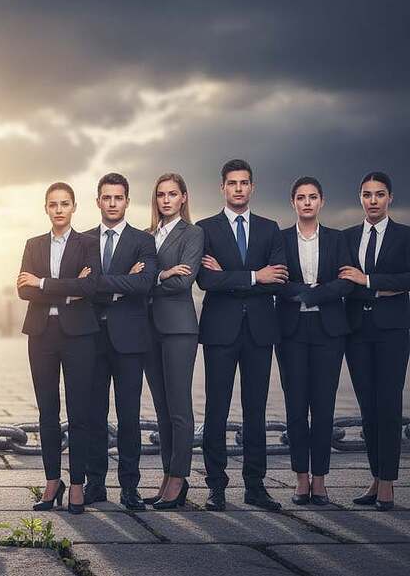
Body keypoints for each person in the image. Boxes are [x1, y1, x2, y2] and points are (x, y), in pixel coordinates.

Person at [197, 158, 287, 511]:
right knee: (216, 410)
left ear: (252, 187)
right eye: (232, 183)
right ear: (222, 187)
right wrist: (253, 276)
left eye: (244, 182)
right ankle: (216, 486)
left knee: (256, 410)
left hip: (260, 331)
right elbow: (206, 281)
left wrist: (230, 276)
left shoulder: (270, 228)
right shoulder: (206, 229)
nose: (238, 188)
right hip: (220, 331)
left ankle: (255, 485)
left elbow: (277, 279)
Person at [16, 182, 100, 514]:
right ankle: (53, 481)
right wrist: (67, 290)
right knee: (47, 413)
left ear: (74, 207)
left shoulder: (88, 244)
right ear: (46, 208)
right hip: (41, 334)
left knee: (80, 413)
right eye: (53, 204)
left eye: (65, 203)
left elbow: (90, 286)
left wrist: (43, 284)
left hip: (79, 335)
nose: (59, 209)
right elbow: (24, 291)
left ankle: (76, 484)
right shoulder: (33, 245)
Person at [275, 177, 352, 506]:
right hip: (291, 331)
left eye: (313, 197)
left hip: (328, 330)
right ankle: (301, 480)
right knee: (295, 407)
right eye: (301, 197)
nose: (307, 202)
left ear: (322, 201)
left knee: (323, 406)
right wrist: (309, 291)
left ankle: (320, 480)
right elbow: (276, 281)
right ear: (292, 202)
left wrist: (313, 292)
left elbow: (347, 281)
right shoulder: (279, 240)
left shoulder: (338, 239)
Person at [83, 173, 158, 511]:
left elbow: (144, 284)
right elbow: (79, 285)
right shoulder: (82, 240)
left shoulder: (143, 240)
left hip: (130, 341)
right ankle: (95, 485)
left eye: (118, 198)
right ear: (98, 201)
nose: (112, 203)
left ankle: (130, 487)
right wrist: (123, 280)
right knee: (94, 416)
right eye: (106, 197)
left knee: (129, 417)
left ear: (127, 201)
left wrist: (101, 282)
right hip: (92, 339)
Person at [340, 171, 409, 511]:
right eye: (367, 194)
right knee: (367, 406)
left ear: (390, 198)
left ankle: (388, 483)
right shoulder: (348, 237)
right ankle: (375, 476)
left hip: (392, 331)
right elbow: (338, 277)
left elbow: (407, 279)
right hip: (357, 331)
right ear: (360, 198)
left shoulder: (405, 236)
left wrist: (367, 280)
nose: (373, 200)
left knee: (388, 404)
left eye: (379, 194)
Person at [142, 173, 202, 510]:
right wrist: (163, 274)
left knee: (179, 407)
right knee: (162, 409)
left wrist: (152, 280)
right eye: (161, 194)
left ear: (183, 198)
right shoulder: (147, 235)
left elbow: (184, 283)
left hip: (179, 328)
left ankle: (179, 479)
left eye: (173, 194)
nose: (166, 200)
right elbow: (139, 279)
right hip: (150, 329)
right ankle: (166, 476)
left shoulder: (193, 233)